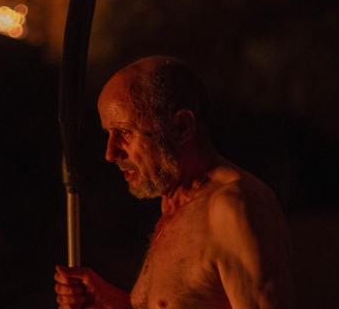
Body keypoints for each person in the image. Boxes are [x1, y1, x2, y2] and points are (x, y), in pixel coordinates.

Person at [53, 56, 294, 309]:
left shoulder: (233, 208)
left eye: (125, 132)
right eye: (108, 134)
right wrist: (113, 305)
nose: (110, 153)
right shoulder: (175, 204)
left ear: (181, 127)